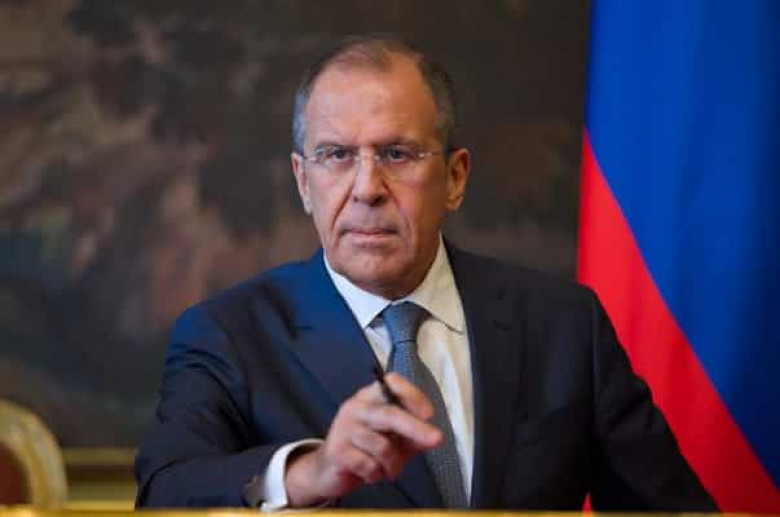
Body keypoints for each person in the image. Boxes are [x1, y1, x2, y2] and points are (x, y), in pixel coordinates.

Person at [134, 36, 717, 511]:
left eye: (397, 154)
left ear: (456, 178)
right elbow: (165, 494)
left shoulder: (564, 325)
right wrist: (312, 472)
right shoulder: (229, 334)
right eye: (337, 155)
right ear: (303, 182)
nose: (366, 189)